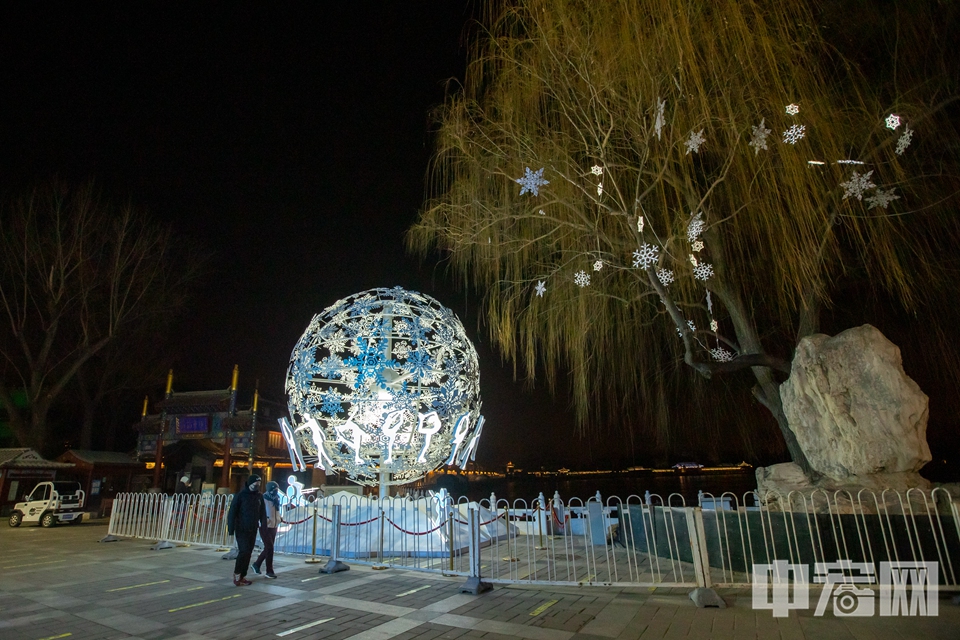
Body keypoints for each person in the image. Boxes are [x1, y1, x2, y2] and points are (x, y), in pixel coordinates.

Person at [227, 475, 266, 586]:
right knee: (243, 551)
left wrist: (263, 525)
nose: (257, 485)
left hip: (253, 528)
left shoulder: (259, 496)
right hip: (241, 528)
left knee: (249, 552)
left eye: (258, 483)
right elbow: (232, 512)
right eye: (255, 483)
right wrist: (231, 528)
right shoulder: (240, 496)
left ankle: (243, 575)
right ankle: (237, 573)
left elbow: (262, 512)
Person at [252, 480, 281, 578]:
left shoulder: (276, 498)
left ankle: (256, 564)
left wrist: (279, 518)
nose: (276, 491)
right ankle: (269, 571)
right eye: (274, 489)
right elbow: (260, 512)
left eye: (277, 489)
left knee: (269, 548)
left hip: (274, 525)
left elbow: (276, 511)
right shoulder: (263, 499)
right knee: (270, 547)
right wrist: (264, 521)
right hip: (265, 526)